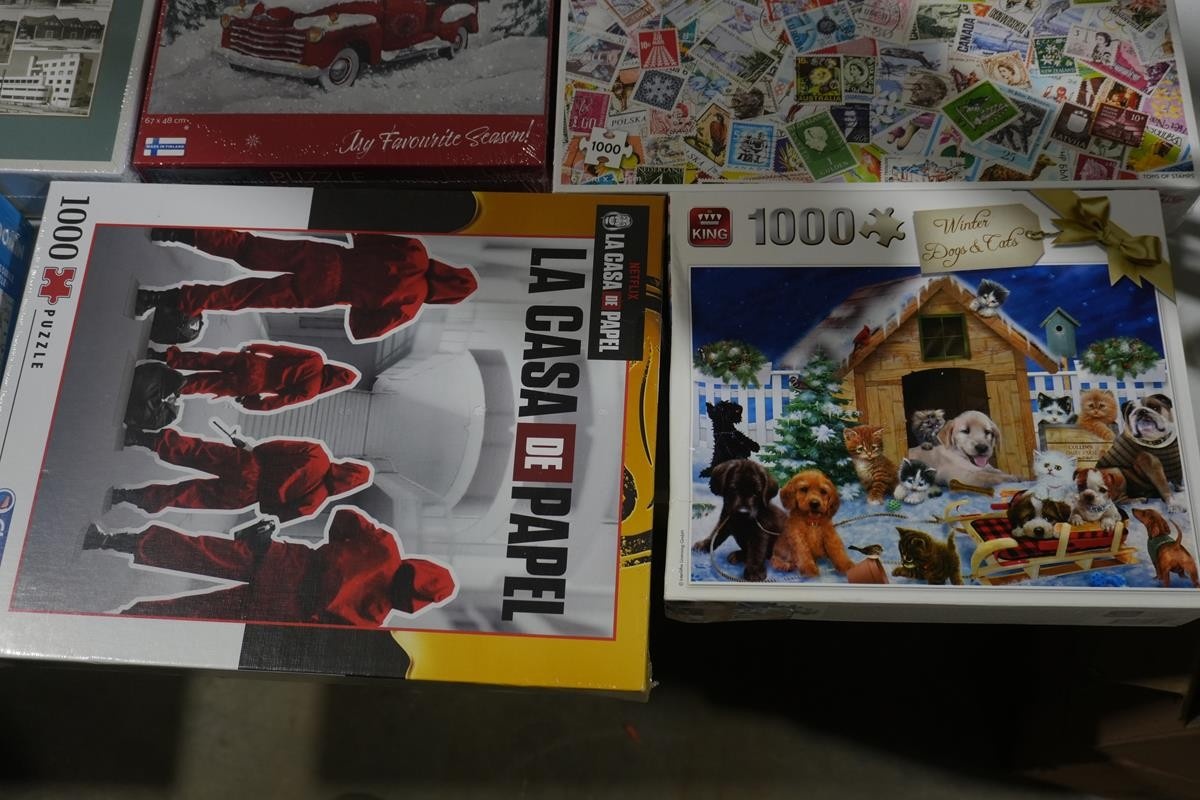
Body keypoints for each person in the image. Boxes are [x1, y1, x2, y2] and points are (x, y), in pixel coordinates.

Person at [83, 508, 457, 626]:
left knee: (195, 552)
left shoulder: (386, 548)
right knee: (198, 613)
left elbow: (344, 517)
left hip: (283, 564)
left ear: (419, 565)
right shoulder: (374, 619)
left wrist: (333, 549)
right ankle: (123, 618)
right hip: (281, 609)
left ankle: (109, 540)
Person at [135, 229, 478, 344]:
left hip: (323, 256)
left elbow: (364, 236)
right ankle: (157, 297)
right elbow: (362, 331)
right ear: (445, 298)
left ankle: (176, 232)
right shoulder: (411, 305)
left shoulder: (416, 251)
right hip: (324, 291)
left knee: (248, 247)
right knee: (242, 296)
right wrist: (358, 301)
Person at [110, 427, 372, 523]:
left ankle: (142, 439)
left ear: (348, 464)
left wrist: (254, 451)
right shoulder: (316, 503)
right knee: (188, 496)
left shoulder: (318, 454)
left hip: (249, 465)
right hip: (246, 496)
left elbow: (277, 447)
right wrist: (264, 500)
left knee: (197, 452)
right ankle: (128, 496)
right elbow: (276, 514)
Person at [147, 342, 359, 412]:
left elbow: (282, 350)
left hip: (255, 363)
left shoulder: (315, 359)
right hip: (253, 384)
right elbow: (277, 403)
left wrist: (257, 347)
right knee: (206, 384)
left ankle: (166, 357)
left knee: (208, 360)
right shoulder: (311, 391)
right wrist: (250, 403)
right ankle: (164, 386)